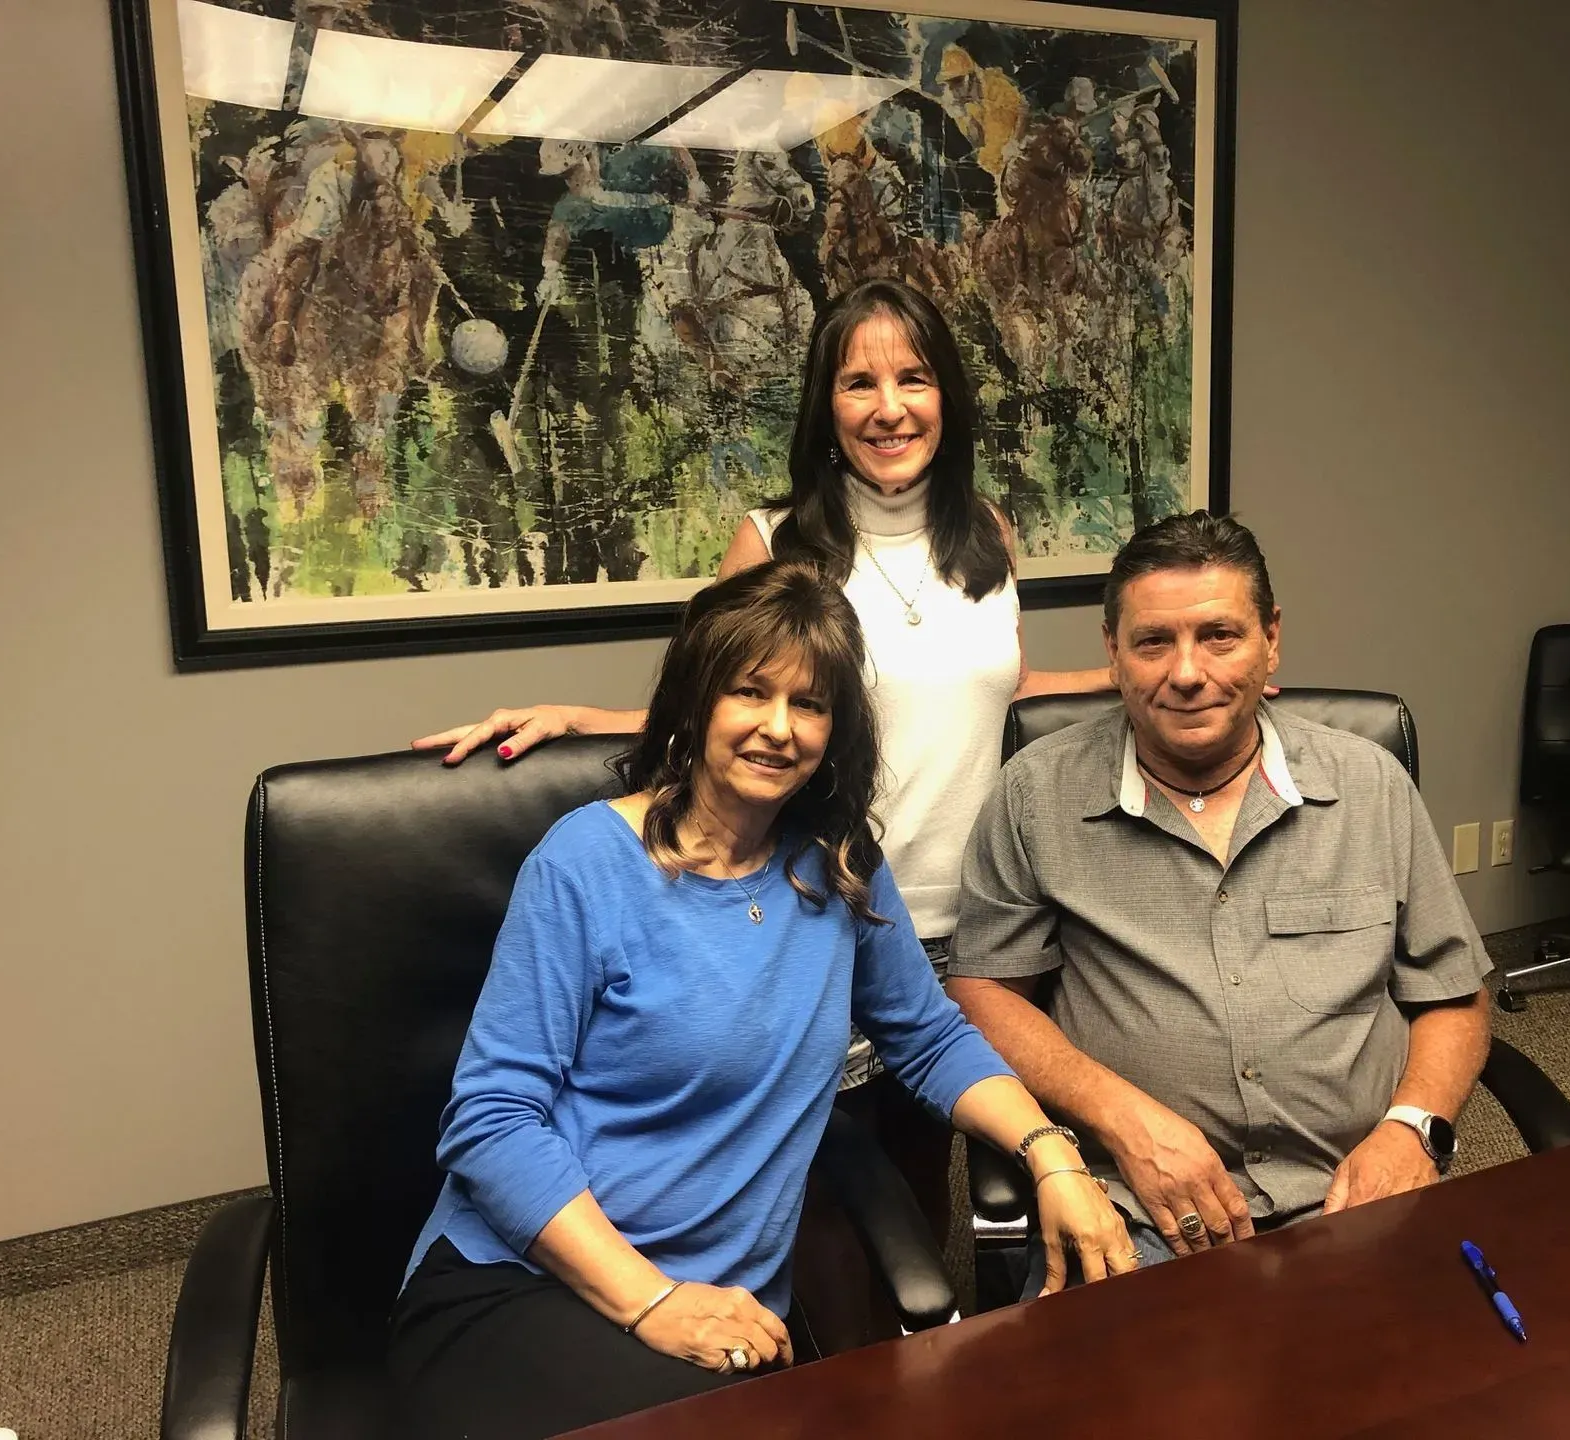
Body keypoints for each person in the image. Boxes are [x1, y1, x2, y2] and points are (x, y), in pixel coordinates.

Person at [412, 278, 1113, 1241]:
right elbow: (720, 704)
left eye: (914, 378)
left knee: (922, 1189)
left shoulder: (986, 536)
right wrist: (580, 717)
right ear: (827, 405)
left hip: (979, 921)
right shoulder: (776, 540)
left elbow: (1002, 686)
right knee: (806, 1184)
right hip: (831, 907)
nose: (889, 406)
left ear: (946, 394)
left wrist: (1148, 677)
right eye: (859, 381)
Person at [389, 561, 1134, 1440]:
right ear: (698, 700)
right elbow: (492, 1119)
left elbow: (930, 1039)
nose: (778, 729)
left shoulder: (839, 865)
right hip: (525, 1286)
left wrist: (1051, 1155)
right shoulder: (587, 863)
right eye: (750, 692)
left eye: (810, 704)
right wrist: (652, 1300)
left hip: (720, 1318)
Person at [947, 512, 1492, 1290]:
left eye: (1220, 636)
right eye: (1153, 642)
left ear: (1271, 639)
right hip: (1143, 1211)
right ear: (1112, 651)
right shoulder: (1038, 794)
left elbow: (1455, 992)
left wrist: (1411, 1129)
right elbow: (986, 991)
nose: (1188, 672)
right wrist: (1120, 1118)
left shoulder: (1371, 787)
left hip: (1354, 1194)